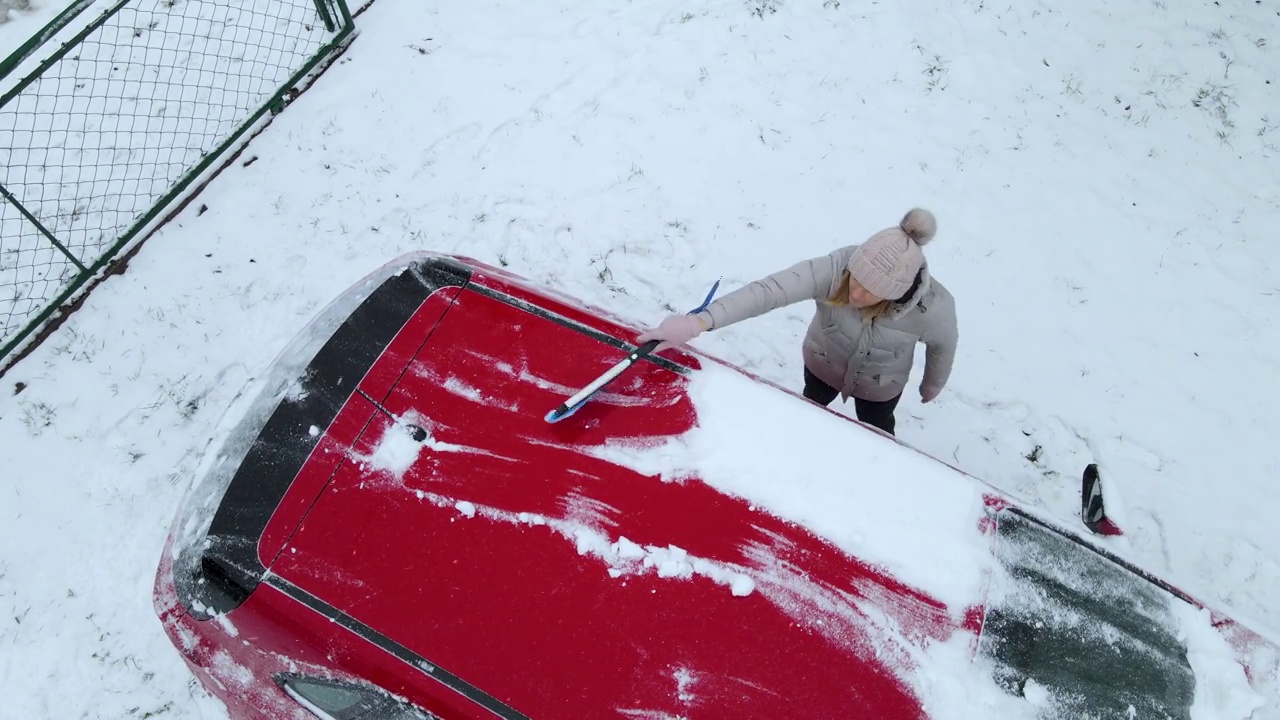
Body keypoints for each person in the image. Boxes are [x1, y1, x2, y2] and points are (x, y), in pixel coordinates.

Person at [637, 208, 957, 436]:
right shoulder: (835, 269)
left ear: (894, 294)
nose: (856, 294)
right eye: (856, 280)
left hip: (881, 385)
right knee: (811, 408)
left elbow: (944, 346)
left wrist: (933, 382)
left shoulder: (933, 308)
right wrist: (699, 322)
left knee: (877, 426)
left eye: (870, 291)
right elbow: (769, 291)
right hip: (823, 361)